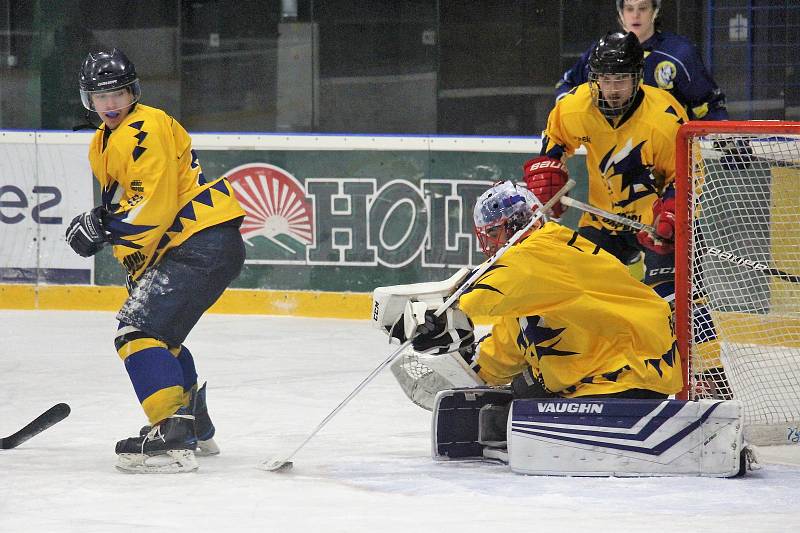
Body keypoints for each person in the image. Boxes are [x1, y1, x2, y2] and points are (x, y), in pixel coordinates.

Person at [65, 49, 246, 473]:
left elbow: (154, 202)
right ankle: (194, 424)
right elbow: (137, 206)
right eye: (100, 95)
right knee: (161, 339)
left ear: (133, 93)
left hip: (199, 241)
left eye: (119, 93)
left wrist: (103, 227)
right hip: (197, 244)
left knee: (137, 333)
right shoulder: (105, 140)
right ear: (87, 100)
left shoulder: (145, 125)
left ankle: (171, 433)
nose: (110, 104)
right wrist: (111, 232)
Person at [395, 180, 682, 399]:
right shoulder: (525, 286)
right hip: (604, 376)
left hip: (630, 372)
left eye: (493, 233)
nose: (492, 243)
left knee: (519, 403)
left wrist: (450, 311)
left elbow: (498, 284)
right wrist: (472, 374)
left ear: (510, 227)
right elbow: (510, 343)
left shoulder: (545, 250)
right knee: (519, 392)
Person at [555, 0, 728, 121]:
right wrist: (571, 118)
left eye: (643, 8)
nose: (635, 15)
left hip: (669, 150)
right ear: (621, 13)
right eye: (629, 9)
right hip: (614, 149)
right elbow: (567, 84)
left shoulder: (679, 53)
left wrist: (723, 137)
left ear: (655, 11)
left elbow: (709, 103)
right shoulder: (602, 53)